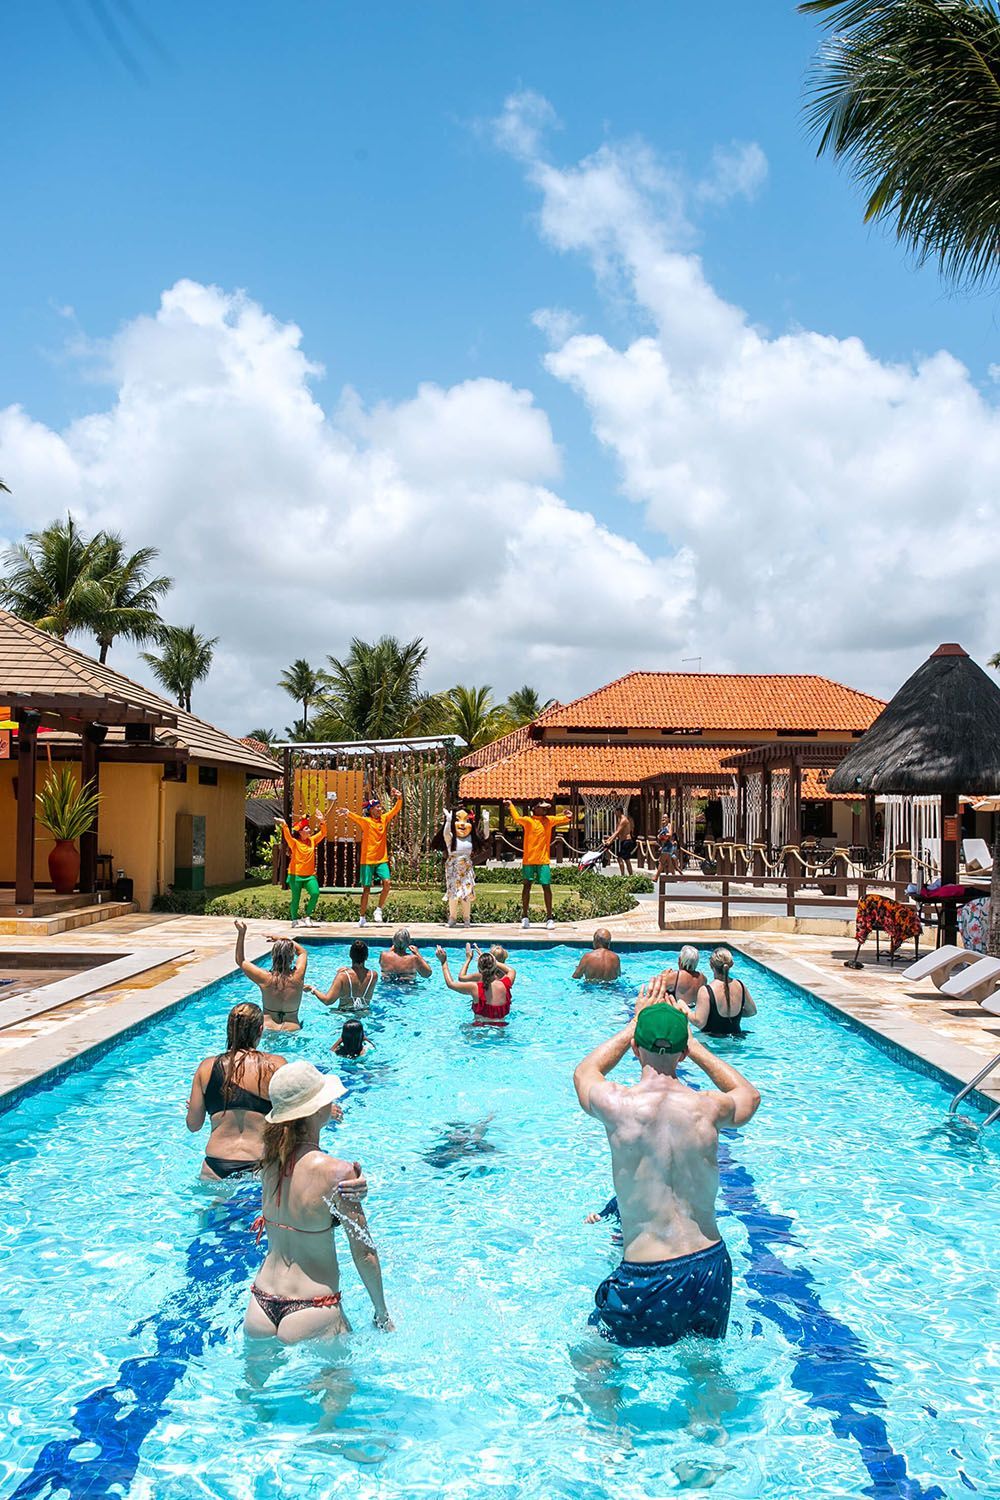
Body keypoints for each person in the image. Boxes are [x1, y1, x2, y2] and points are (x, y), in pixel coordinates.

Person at [573, 976, 761, 1348]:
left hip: (647, 1274)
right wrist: (696, 1047)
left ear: (635, 1050)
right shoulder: (707, 1107)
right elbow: (749, 1095)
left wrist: (631, 1027)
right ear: (683, 1054)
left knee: (592, 1355)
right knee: (705, 1372)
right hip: (710, 1266)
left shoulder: (618, 1106)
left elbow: (584, 1072)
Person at [245, 1060, 392, 1343]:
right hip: (312, 1308)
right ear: (315, 1110)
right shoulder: (338, 1173)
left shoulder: (269, 1163)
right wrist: (381, 1313)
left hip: (259, 1307)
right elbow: (364, 1253)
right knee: (338, 1387)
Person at [185, 1002, 289, 1179]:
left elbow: (193, 1125)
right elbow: (292, 1118)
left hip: (215, 1166)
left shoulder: (206, 1067)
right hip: (260, 1164)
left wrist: (198, 1107)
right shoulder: (276, 1065)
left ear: (229, 1030)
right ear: (260, 1030)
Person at [336, 788, 403, 926]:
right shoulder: (366, 821)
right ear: (371, 810)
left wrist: (400, 798)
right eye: (377, 807)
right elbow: (356, 818)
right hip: (367, 861)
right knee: (366, 889)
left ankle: (378, 910)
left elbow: (395, 810)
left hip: (381, 860)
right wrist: (347, 813)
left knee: (387, 883)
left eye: (380, 807)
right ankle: (362, 917)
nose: (380, 809)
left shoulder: (384, 819)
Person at [505, 798, 571, 929]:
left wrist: (569, 815)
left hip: (543, 861)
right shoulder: (528, 821)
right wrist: (511, 805)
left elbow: (564, 819)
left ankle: (550, 918)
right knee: (526, 886)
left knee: (546, 887)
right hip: (528, 860)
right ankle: (524, 916)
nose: (545, 809)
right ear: (535, 808)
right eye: (543, 807)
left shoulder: (549, 820)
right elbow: (517, 818)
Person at [235, 920, 308, 1031]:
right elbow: (302, 952)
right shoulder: (298, 976)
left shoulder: (265, 978)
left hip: (268, 1027)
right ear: (292, 957)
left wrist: (242, 933)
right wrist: (282, 938)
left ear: (273, 956)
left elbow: (240, 961)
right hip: (292, 1028)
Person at [431, 805, 487, 926]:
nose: (462, 824)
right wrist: (448, 820)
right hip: (453, 868)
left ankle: (467, 918)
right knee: (453, 894)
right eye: (458, 820)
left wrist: (486, 822)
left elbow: (485, 837)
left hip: (466, 869)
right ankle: (452, 918)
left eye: (466, 821)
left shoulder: (471, 839)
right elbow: (446, 833)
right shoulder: (450, 838)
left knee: (466, 894)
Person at [435, 943, 513, 1025]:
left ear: (479, 968)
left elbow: (450, 983)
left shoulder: (475, 987)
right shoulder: (506, 983)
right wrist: (491, 961)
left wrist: (443, 962)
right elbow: (511, 970)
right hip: (501, 1029)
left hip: (479, 1030)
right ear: (495, 965)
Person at [690, 947, 757, 1038]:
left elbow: (699, 1022)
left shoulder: (706, 990)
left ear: (711, 965)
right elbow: (752, 1012)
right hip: (736, 1039)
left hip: (713, 1042)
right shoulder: (740, 986)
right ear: (731, 964)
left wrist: (684, 1009)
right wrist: (733, 1013)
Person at [279, 808, 327, 928]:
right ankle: (294, 919)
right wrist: (284, 825)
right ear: (300, 832)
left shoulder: (312, 840)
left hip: (309, 875)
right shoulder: (295, 843)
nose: (309, 830)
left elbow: (323, 833)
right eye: (306, 828)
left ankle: (307, 916)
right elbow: (288, 837)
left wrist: (322, 821)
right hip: (295, 875)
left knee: (315, 893)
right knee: (296, 898)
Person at [305, 939, 378, 1012]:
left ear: (350, 955)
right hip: (365, 1013)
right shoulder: (373, 975)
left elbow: (327, 1001)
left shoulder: (343, 976)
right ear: (366, 957)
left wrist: (312, 989)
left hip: (344, 1014)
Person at [656, 944, 706, 1010]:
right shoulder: (703, 978)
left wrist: (663, 975)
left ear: (680, 960)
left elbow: (656, 990)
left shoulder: (675, 976)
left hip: (676, 1012)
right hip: (693, 1011)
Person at [604, 803, 637, 877]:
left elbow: (617, 831)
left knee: (624, 859)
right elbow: (616, 833)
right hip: (623, 841)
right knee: (622, 859)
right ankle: (625, 875)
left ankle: (628, 876)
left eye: (615, 811)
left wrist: (609, 841)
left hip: (627, 841)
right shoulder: (619, 820)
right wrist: (609, 839)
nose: (614, 813)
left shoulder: (623, 820)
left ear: (619, 811)